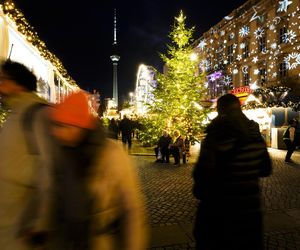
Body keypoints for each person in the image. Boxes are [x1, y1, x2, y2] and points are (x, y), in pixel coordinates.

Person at [47, 91, 148, 249]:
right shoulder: (60, 152)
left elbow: (132, 210)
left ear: (78, 126)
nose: (56, 132)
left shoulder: (111, 154)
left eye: (63, 126)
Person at [192, 93, 272, 250]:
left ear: (220, 111)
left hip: (218, 215)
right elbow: (266, 169)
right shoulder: (255, 137)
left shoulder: (215, 137)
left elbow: (201, 177)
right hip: (250, 215)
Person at [0, 60, 52, 249]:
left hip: (23, 226)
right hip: (8, 219)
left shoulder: (37, 114)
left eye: (3, 79)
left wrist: (41, 223)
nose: (0, 84)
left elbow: (50, 170)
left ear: (17, 83)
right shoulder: (15, 113)